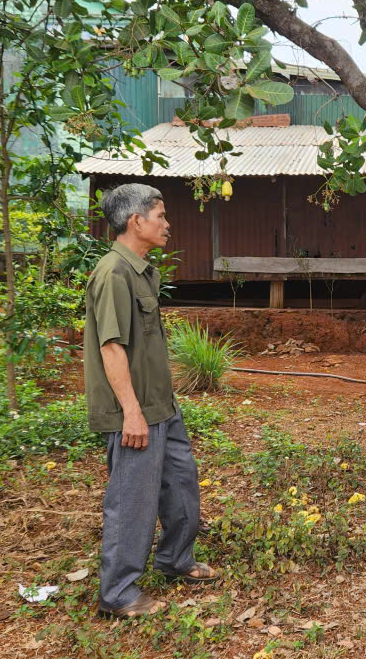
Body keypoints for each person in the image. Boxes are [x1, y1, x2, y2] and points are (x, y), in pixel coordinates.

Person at [84, 183, 218, 618]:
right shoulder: (113, 274)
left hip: (161, 405)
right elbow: (111, 349)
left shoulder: (140, 270)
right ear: (134, 221)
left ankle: (175, 559)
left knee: (181, 484)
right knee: (133, 499)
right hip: (135, 411)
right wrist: (132, 413)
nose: (167, 224)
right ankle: (117, 593)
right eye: (159, 216)